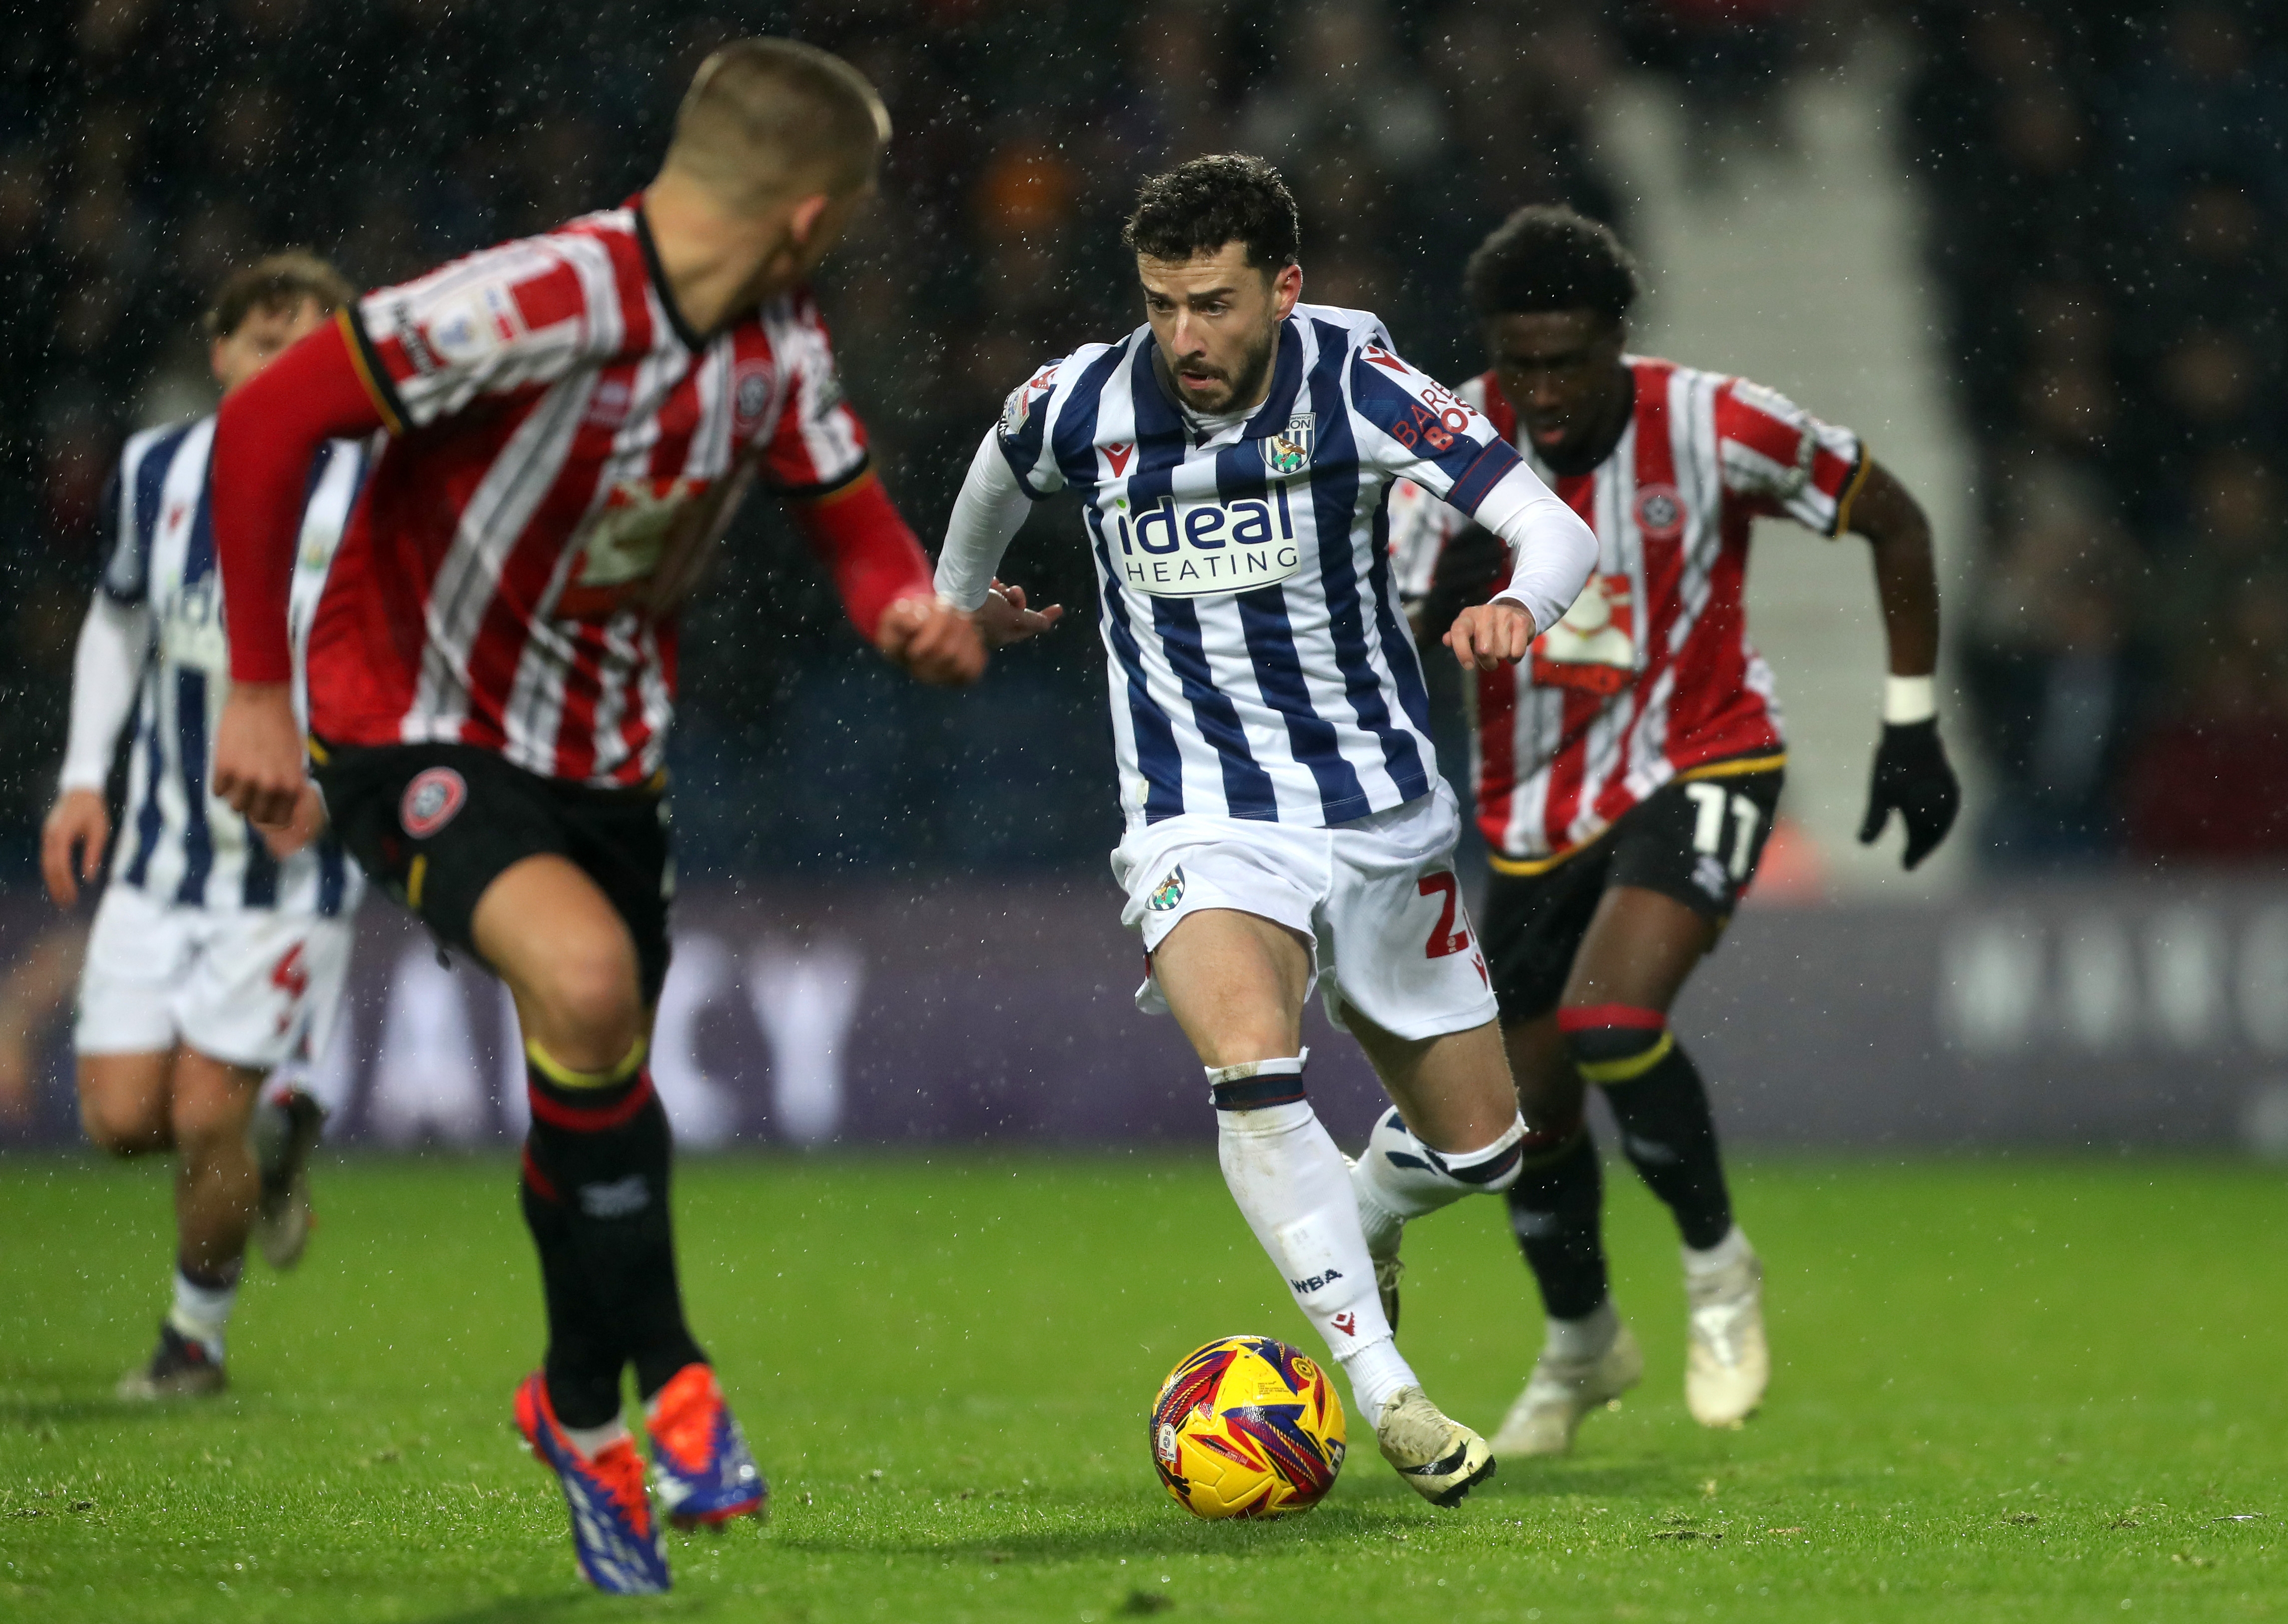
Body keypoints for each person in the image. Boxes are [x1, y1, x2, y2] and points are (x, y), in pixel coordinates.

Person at [206, 40, 1054, 1595]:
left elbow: (856, 532)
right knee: (588, 989)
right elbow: (269, 421)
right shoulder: (536, 300)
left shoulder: (773, 345)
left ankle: (576, 1411)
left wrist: (908, 617)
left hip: (609, 757)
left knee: (590, 1071)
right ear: (810, 214)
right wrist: (256, 687)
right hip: (408, 715)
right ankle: (673, 1379)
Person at [936, 154, 1598, 1507]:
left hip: (1376, 817)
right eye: (1164, 303)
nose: (1185, 336)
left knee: (1484, 1149)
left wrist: (1521, 604)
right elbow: (996, 468)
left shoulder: (1355, 381)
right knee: (1251, 1063)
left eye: (1217, 304)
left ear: (1284, 288)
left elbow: (1551, 526)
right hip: (1201, 812)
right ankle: (1386, 1391)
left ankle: (1360, 1214)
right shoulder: (1081, 399)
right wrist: (965, 597)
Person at [1389, 205, 1958, 1455]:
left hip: (1704, 752)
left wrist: (1909, 725)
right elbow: (1396, 622)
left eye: (1567, 358)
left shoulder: (1714, 421)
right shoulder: (1441, 444)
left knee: (1609, 1019)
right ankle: (1581, 1344)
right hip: (1532, 807)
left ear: (1615, 343)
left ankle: (1716, 1273)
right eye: (1517, 360)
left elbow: (1895, 519)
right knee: (1521, 1115)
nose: (1540, 388)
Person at [41, 252, 366, 1401]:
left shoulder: (375, 490)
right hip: (159, 855)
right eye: (266, 343)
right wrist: (85, 778)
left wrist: (346, 781)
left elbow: (407, 667)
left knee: (201, 1111)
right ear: (221, 352)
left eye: (315, 347)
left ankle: (193, 1343)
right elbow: (118, 622)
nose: (288, 367)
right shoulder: (156, 471)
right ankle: (274, 1155)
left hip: (296, 871)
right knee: (122, 1119)